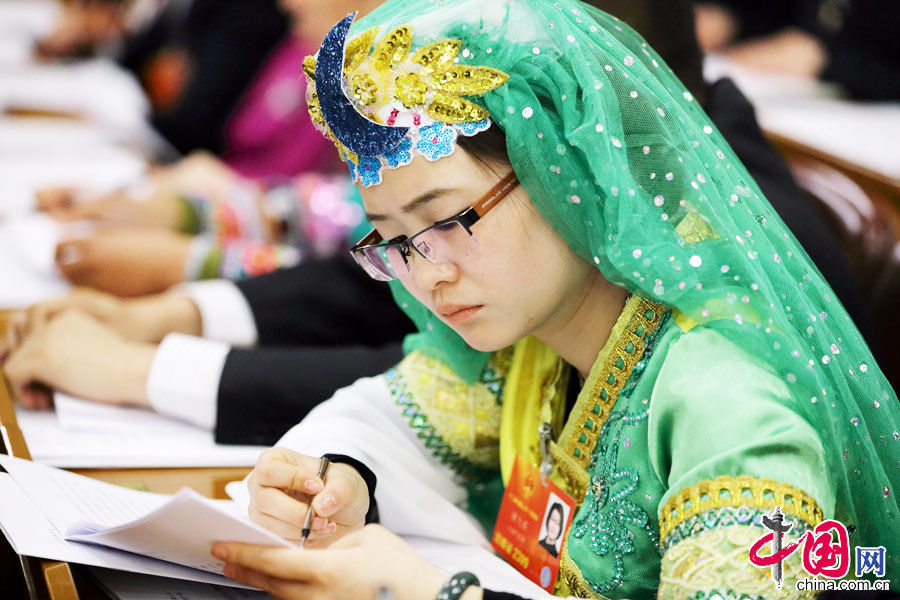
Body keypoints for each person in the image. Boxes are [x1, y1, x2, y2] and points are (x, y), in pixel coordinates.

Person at [205, 1, 899, 599]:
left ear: (570, 175)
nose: (426, 274)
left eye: (446, 221)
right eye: (390, 240)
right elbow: (386, 417)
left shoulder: (731, 407)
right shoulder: (535, 331)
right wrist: (335, 480)